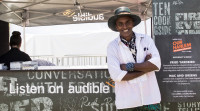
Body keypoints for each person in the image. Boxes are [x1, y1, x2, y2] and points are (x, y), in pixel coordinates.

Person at [107, 7, 161, 111]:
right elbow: (117, 75)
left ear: (133, 23)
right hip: (127, 102)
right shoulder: (112, 47)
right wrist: (145, 66)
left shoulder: (146, 39)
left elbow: (156, 64)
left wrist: (128, 67)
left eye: (128, 22)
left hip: (150, 98)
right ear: (116, 26)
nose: (125, 26)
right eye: (120, 24)